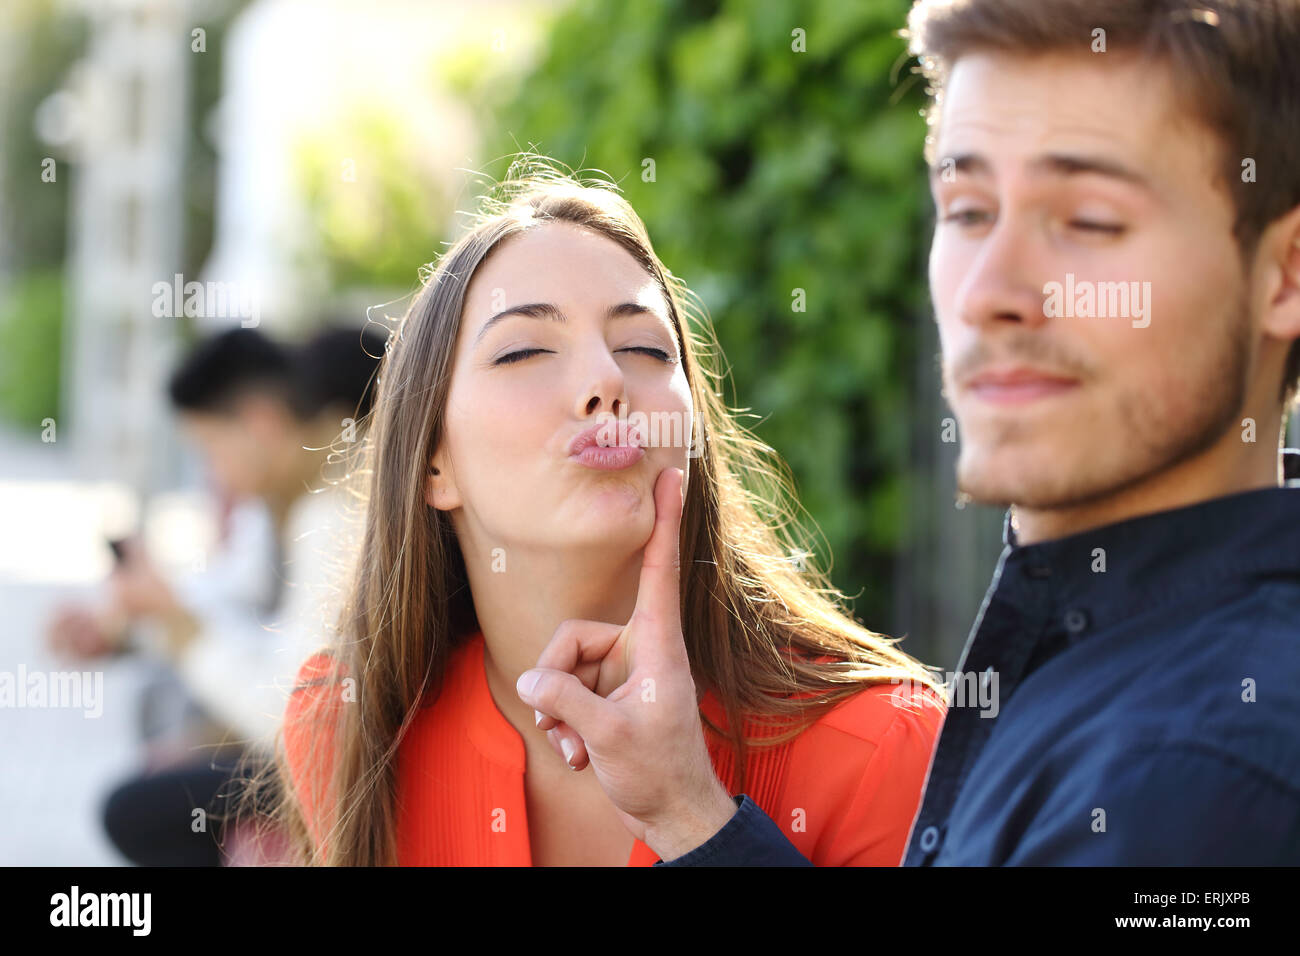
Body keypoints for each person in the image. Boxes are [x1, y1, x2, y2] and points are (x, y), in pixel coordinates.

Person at [565, 0, 1300, 866]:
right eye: (968, 209)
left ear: (1283, 276)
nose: (990, 287)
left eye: (1091, 221)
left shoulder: (1191, 784)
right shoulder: (1118, 661)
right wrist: (687, 812)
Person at [275, 159, 948, 866]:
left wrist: (693, 818)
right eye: (526, 350)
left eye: (644, 349)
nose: (606, 380)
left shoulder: (885, 746)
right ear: (433, 460)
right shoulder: (346, 727)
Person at [46, 324, 383, 865]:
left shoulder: (334, 511)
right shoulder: (281, 501)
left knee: (137, 811)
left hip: (363, 767)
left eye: (209, 448)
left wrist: (179, 628)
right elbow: (228, 596)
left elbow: (294, 725)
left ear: (260, 421)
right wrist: (130, 622)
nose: (212, 473)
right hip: (338, 745)